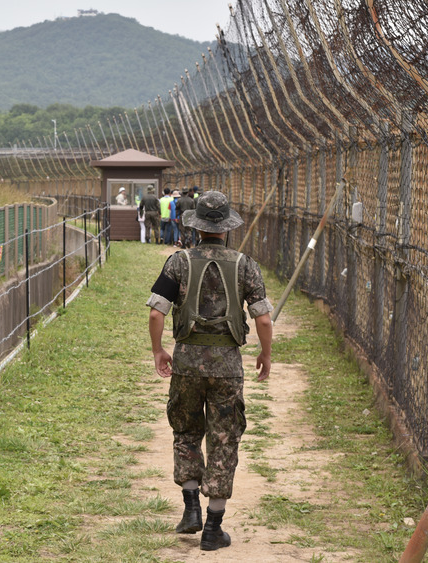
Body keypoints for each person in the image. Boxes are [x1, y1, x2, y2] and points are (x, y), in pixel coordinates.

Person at [146, 190, 273, 552]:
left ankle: (190, 509)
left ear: (197, 226)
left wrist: (158, 350)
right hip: (227, 366)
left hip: (186, 360)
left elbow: (157, 312)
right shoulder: (245, 264)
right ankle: (213, 528)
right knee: (223, 438)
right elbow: (262, 317)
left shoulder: (178, 262)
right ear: (227, 227)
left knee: (186, 430)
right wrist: (266, 354)